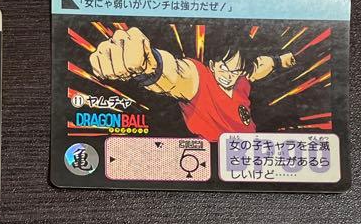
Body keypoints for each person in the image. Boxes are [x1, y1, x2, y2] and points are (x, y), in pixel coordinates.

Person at [89, 25, 295, 141]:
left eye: (236, 71)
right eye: (223, 68)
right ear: (212, 65)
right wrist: (148, 63)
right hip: (217, 162)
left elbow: (260, 66)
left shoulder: (241, 80)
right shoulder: (200, 79)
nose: (228, 76)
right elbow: (175, 74)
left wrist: (282, 60)